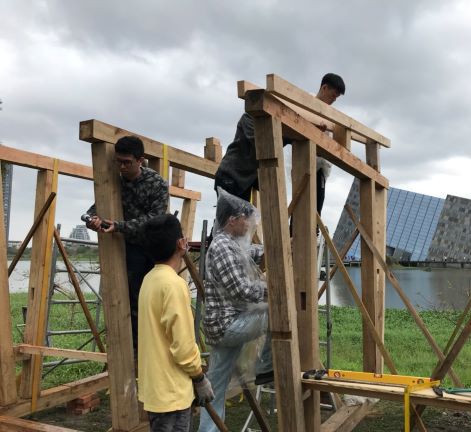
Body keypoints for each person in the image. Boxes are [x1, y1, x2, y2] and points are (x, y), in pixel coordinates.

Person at [214, 72, 346, 217]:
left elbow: (286, 137)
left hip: (245, 180)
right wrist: (306, 131)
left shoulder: (275, 127)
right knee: (230, 222)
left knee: (240, 223)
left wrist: (311, 131)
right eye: (333, 95)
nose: (334, 100)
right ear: (325, 88)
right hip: (230, 176)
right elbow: (267, 145)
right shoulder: (250, 119)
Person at [85, 135, 169, 356]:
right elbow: (98, 206)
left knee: (152, 300)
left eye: (127, 162)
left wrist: (120, 226)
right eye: (118, 162)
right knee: (128, 300)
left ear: (140, 160)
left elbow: (154, 220)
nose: (122, 167)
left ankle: (154, 349)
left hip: (152, 249)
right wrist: (93, 220)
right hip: (127, 248)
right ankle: (133, 350)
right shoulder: (115, 181)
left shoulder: (156, 184)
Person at [198, 189, 272, 432]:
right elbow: (241, 290)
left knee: (215, 386)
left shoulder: (230, 244)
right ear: (232, 220)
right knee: (277, 315)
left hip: (224, 324)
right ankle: (266, 368)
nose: (249, 224)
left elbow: (250, 253)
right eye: (245, 219)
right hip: (228, 325)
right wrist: (272, 292)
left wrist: (275, 248)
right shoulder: (222, 247)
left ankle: (208, 430)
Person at [138, 214, 214, 432]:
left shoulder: (149, 279)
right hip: (172, 391)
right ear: (181, 244)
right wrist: (199, 377)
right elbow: (183, 346)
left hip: (156, 389)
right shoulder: (174, 284)